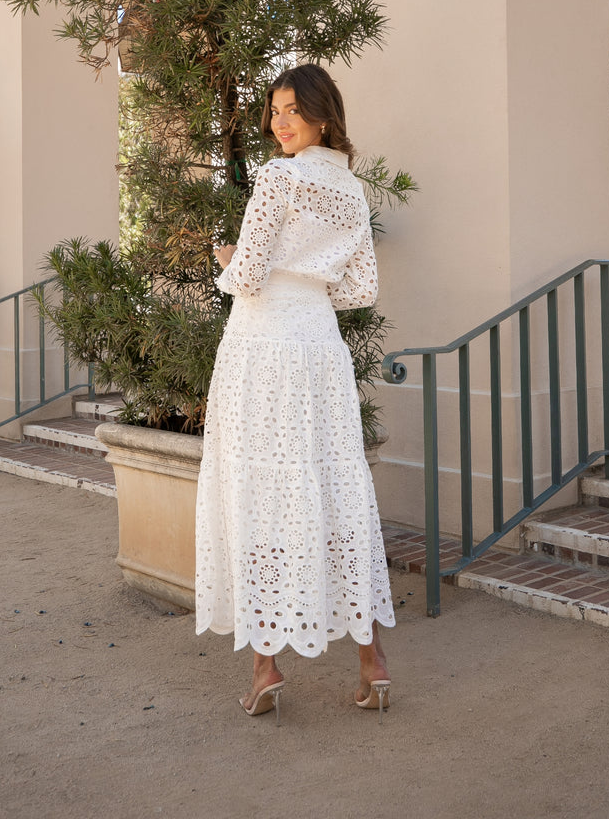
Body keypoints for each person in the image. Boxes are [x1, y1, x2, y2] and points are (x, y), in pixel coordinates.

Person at [194, 63, 395, 724]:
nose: (278, 121)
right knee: (335, 491)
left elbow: (247, 274)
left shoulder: (280, 177)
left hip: (263, 346)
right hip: (320, 346)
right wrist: (310, 282)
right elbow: (360, 291)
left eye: (290, 110)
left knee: (259, 493)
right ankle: (372, 666)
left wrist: (227, 259)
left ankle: (266, 669)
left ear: (321, 114)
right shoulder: (351, 189)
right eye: (273, 110)